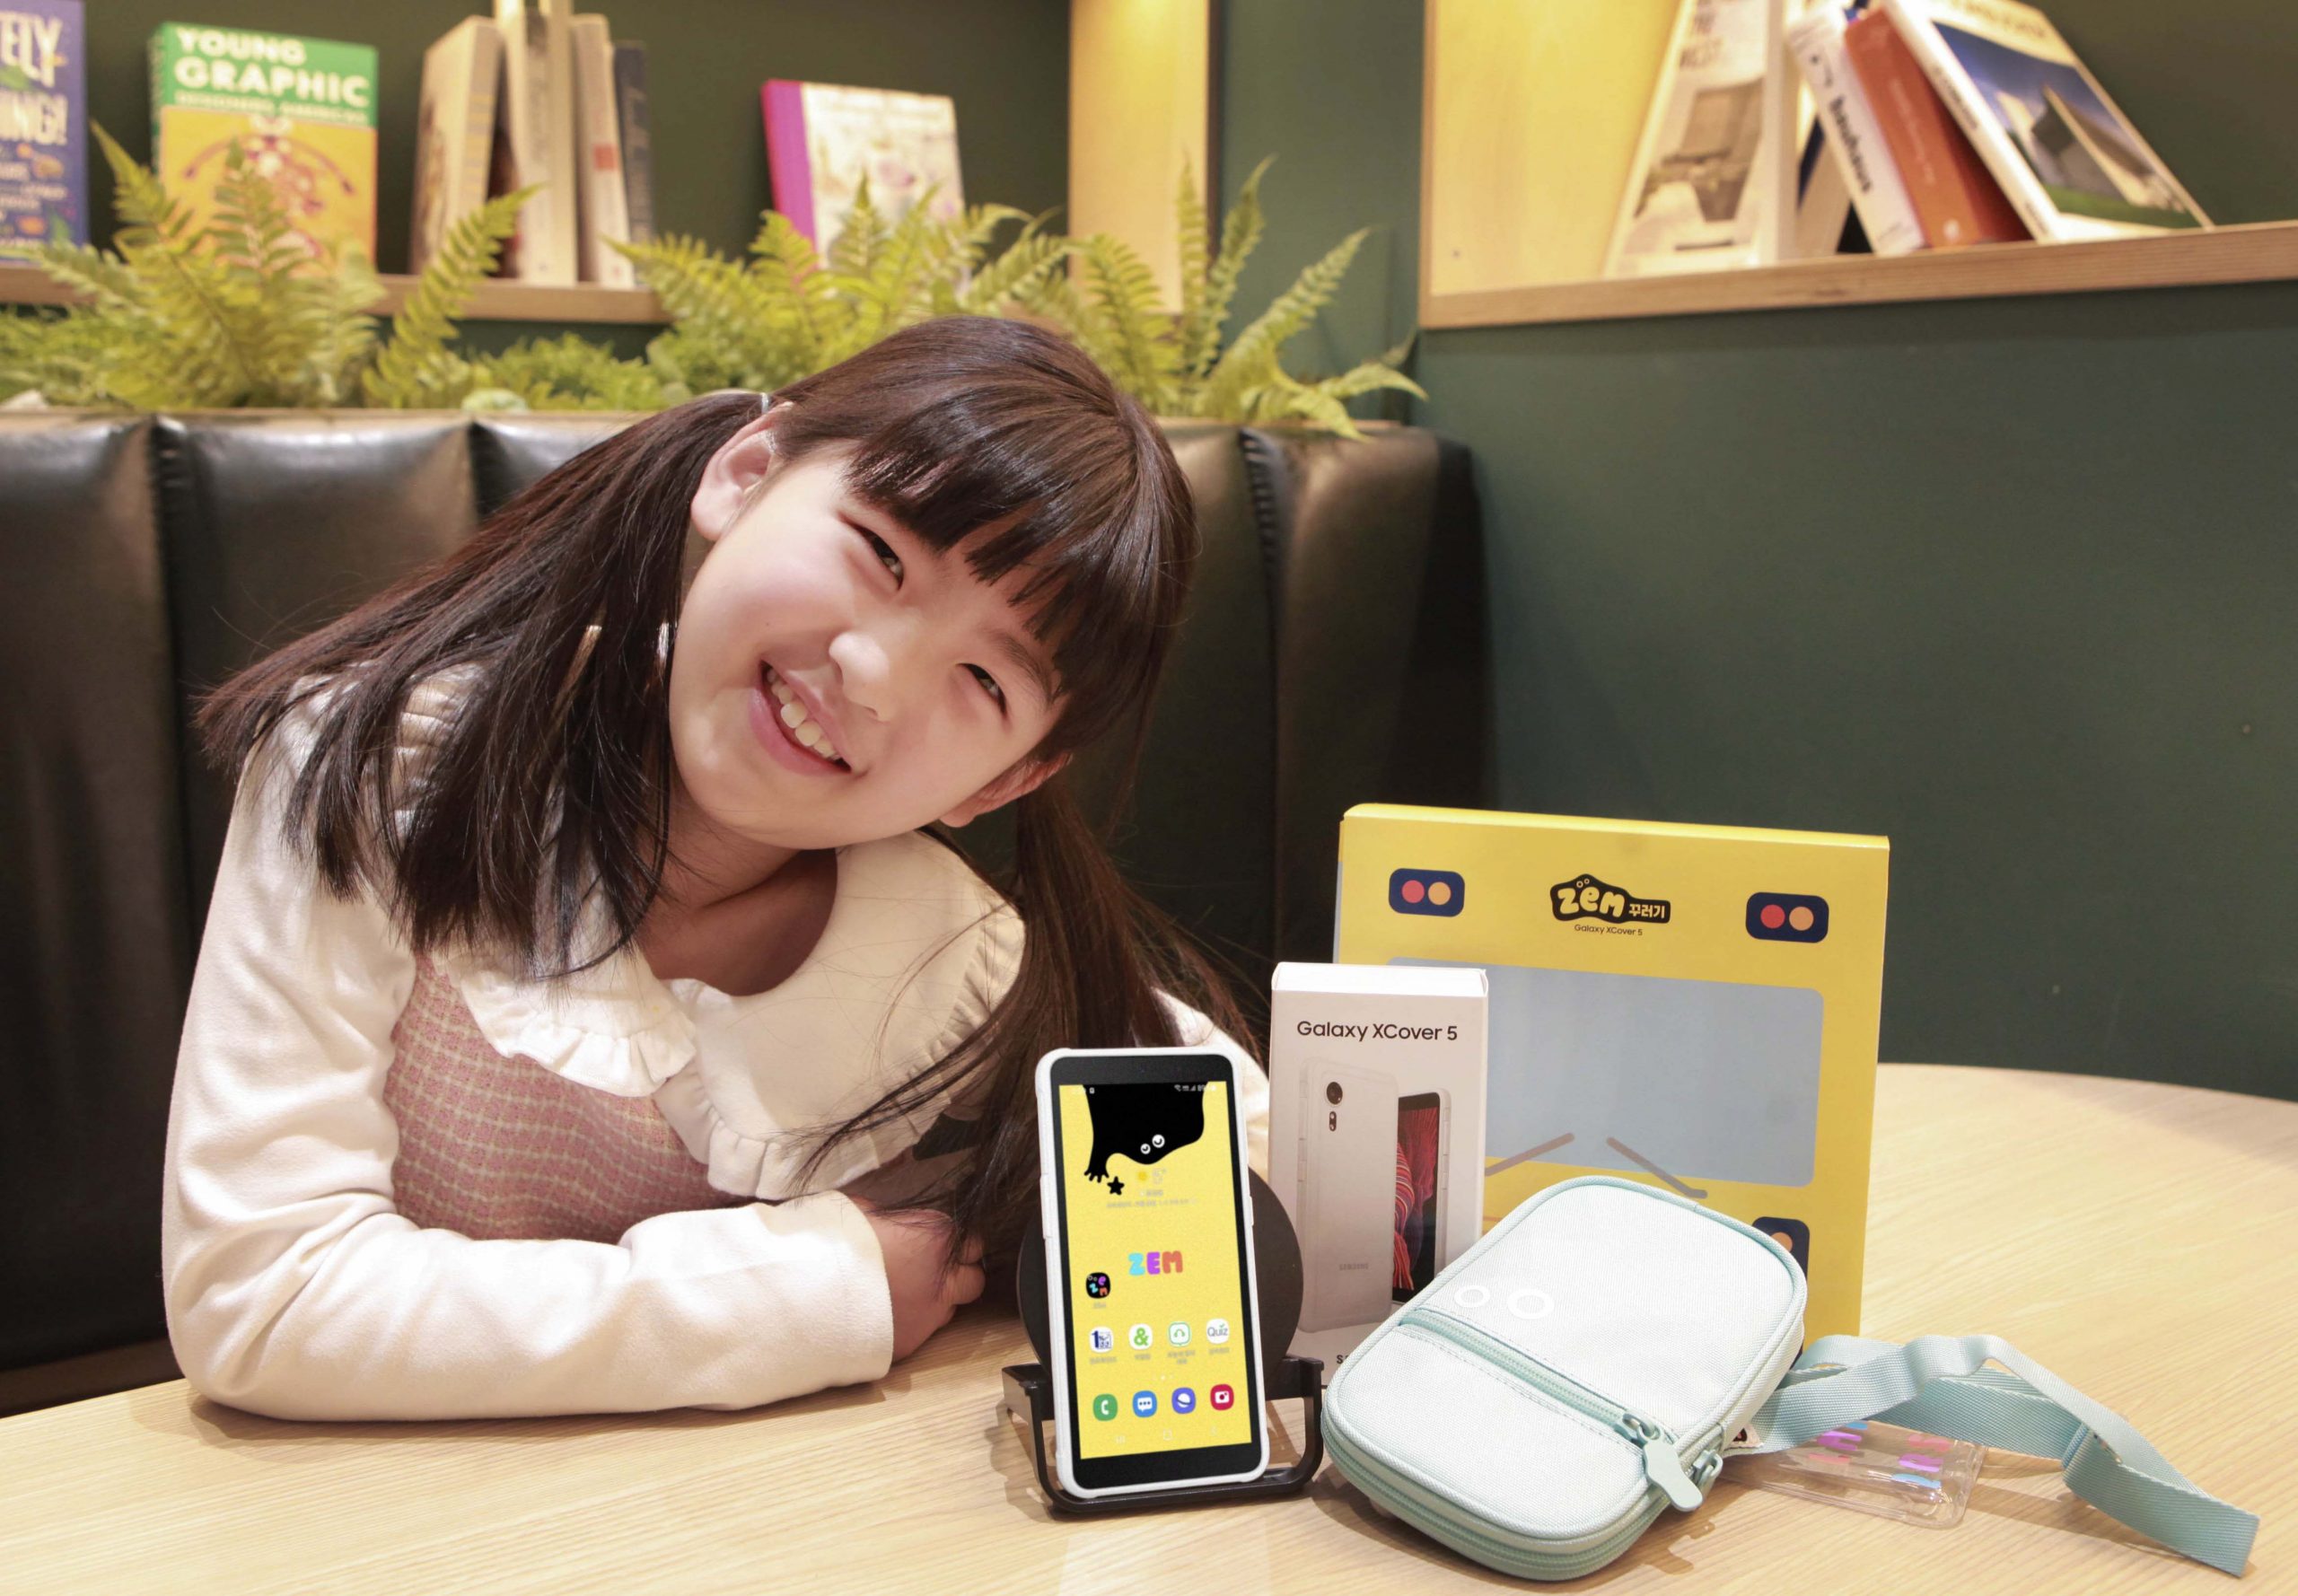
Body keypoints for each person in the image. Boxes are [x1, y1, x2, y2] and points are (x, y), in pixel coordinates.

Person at [162, 315, 1268, 1421]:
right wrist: (819, 1289)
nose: (871, 672)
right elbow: (261, 1295)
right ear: (745, 474)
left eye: (982, 680)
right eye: (880, 553)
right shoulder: (382, 765)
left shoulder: (953, 962)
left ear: (1008, 779)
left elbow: (1252, 1139)